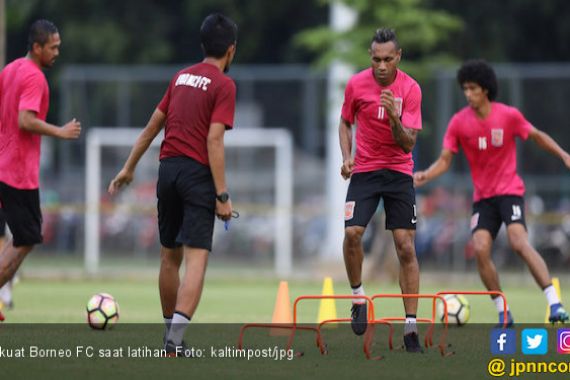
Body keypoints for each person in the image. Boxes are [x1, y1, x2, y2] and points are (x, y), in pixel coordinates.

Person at [108, 13, 237, 356]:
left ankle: (170, 336)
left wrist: (128, 168)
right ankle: (175, 342)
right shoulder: (224, 85)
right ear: (231, 51)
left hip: (167, 171)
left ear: (202, 44)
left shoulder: (181, 77)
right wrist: (222, 195)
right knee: (197, 260)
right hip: (196, 175)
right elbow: (214, 140)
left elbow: (152, 127)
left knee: (169, 257)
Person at [414, 59, 570, 326]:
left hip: (510, 192)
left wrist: (564, 155)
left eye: (473, 88)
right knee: (480, 247)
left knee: (519, 242)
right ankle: (503, 312)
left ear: (485, 89)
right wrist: (427, 174)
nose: (468, 93)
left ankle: (555, 303)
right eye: (465, 88)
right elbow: (445, 159)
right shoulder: (459, 123)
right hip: (483, 199)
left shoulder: (508, 116)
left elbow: (536, 136)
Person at [339, 28, 423, 352]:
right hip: (366, 171)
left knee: (405, 247)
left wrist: (392, 116)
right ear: (370, 58)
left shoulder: (411, 89)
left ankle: (411, 328)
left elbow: (408, 144)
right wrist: (347, 158)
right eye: (376, 59)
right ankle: (359, 298)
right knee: (352, 234)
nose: (382, 66)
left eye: (388, 59)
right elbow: (345, 122)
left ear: (398, 57)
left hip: (399, 172)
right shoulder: (356, 84)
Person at [0, 20, 82, 322]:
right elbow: (25, 120)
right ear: (37, 47)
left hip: (4, 166)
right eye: (53, 47)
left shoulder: (9, 70)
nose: (57, 52)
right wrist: (60, 132)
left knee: (24, 237)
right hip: (18, 172)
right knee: (26, 238)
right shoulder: (35, 77)